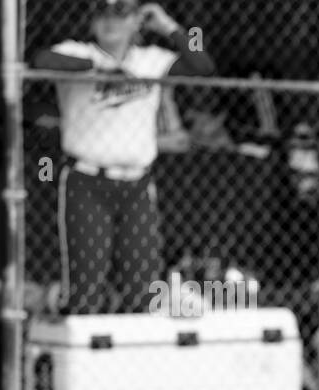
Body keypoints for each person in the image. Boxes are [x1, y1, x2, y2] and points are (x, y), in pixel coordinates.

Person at [32, 0, 215, 315]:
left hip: (137, 186)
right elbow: (41, 59)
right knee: (87, 285)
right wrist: (98, 69)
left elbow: (203, 63)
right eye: (102, 13)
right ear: (91, 23)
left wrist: (170, 26)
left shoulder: (150, 60)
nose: (110, 22)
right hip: (86, 181)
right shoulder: (79, 52)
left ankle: (133, 358)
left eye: (120, 15)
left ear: (136, 23)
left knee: (142, 283)